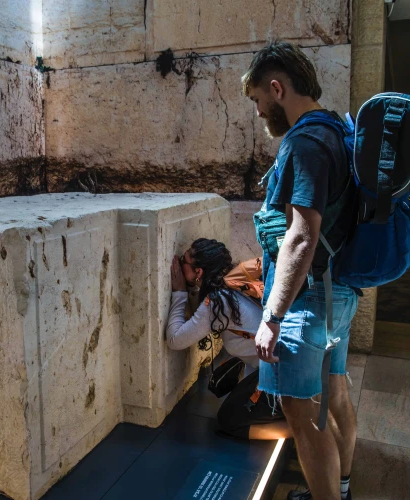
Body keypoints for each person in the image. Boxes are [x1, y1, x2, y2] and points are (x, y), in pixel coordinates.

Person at [242, 41, 358, 500]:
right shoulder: (338, 130)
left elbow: (301, 236)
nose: (258, 112)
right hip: (339, 293)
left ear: (277, 88)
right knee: (337, 396)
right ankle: (342, 489)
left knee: (304, 418)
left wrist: (271, 318)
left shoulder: (304, 142)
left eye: (257, 100)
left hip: (306, 303)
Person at [166, 238, 291, 441]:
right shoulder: (235, 281)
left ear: (198, 272)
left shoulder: (218, 302)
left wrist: (179, 293)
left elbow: (175, 339)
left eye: (183, 261)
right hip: (291, 365)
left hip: (281, 377)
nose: (180, 265)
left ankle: (303, 429)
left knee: (229, 422)